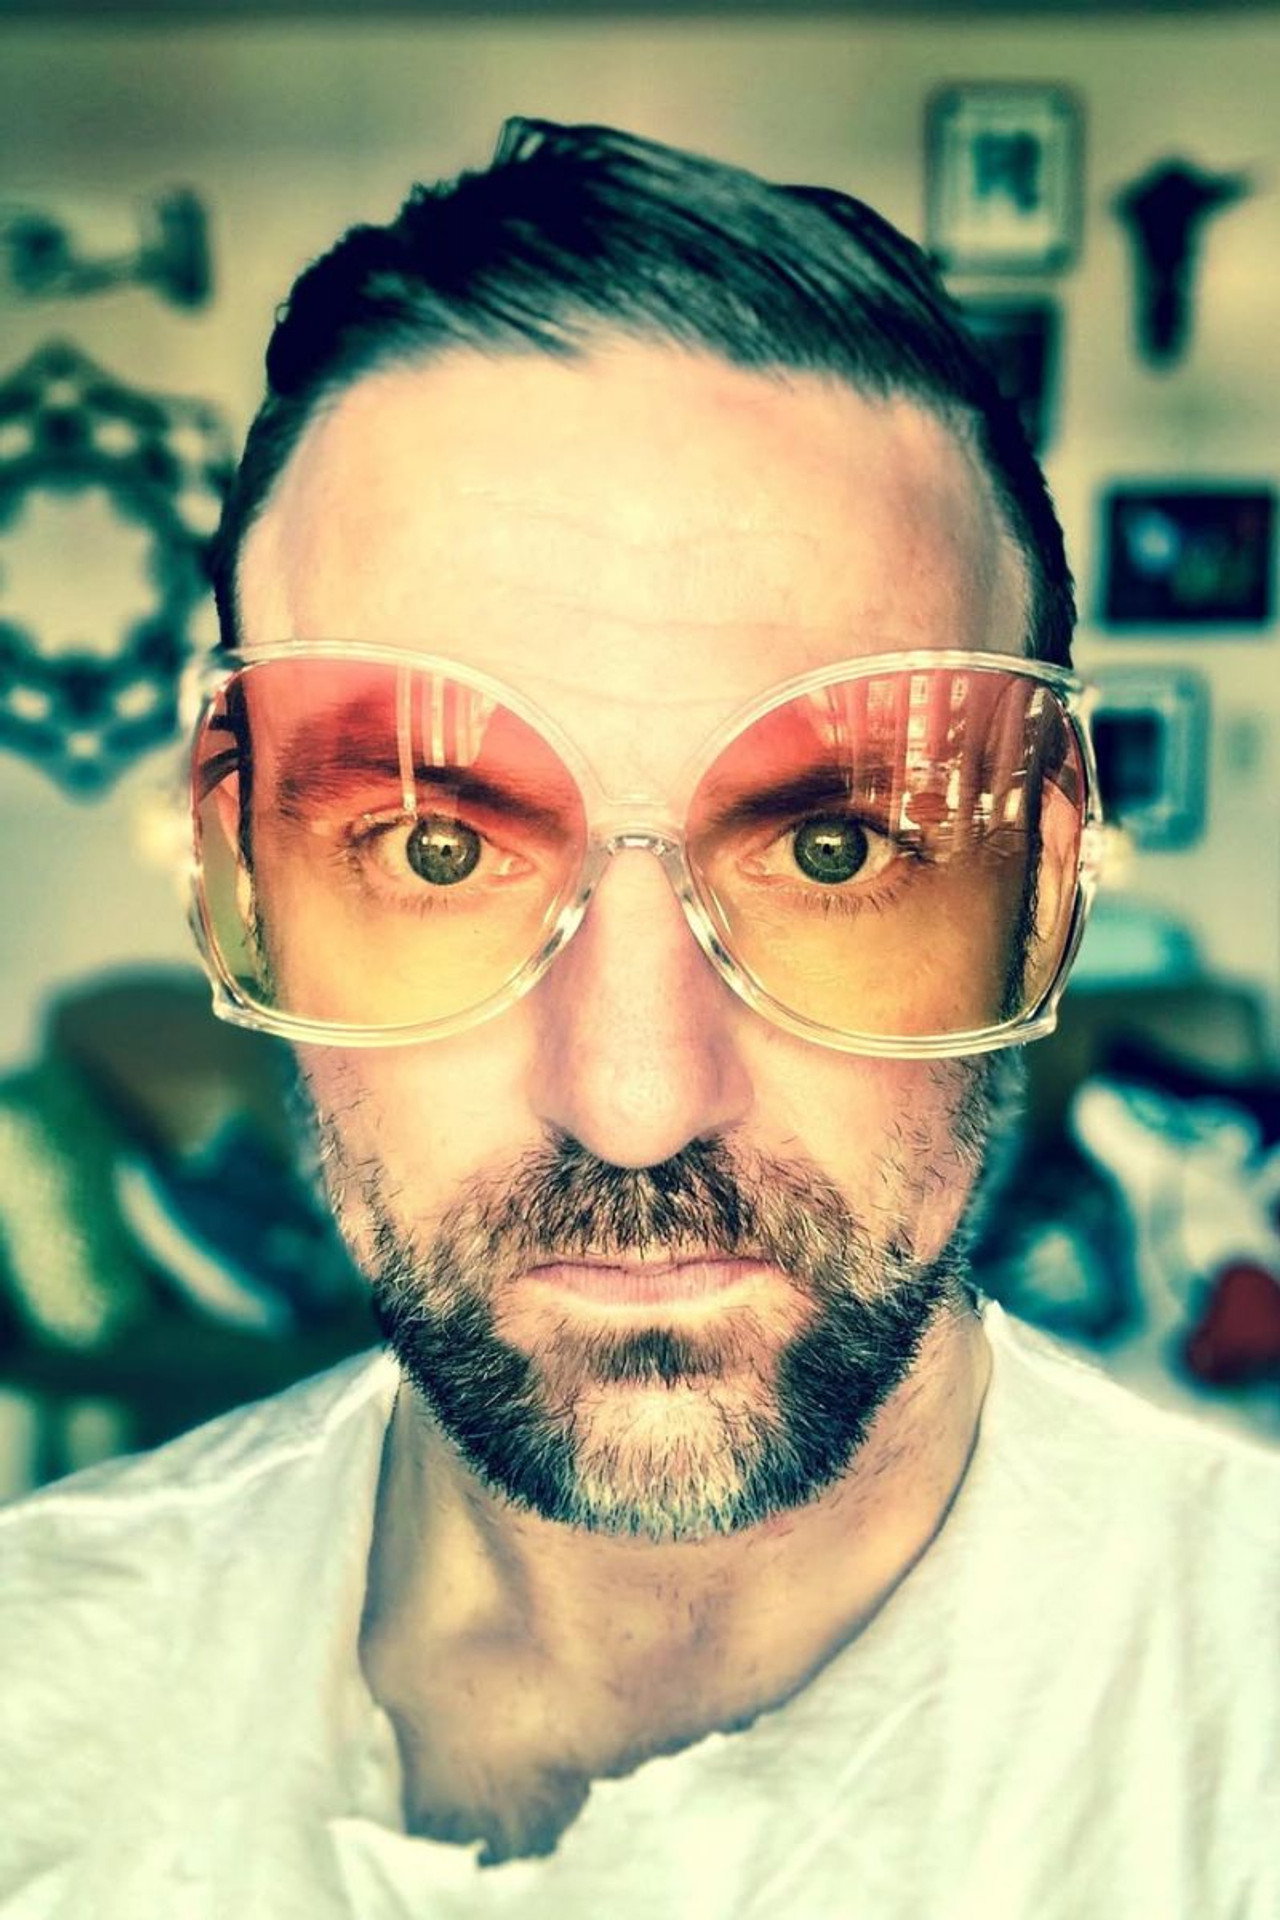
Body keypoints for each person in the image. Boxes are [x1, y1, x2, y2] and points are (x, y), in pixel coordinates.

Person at [1, 119, 1275, 1919]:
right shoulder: (38, 1705)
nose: (636, 1100)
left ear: (1047, 888)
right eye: (437, 848)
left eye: (834, 848)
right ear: (242, 882)